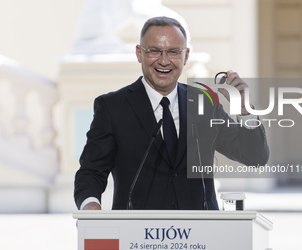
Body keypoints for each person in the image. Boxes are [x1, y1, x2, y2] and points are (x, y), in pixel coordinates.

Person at [74, 16, 269, 210]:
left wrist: (245, 109)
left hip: (201, 234)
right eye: (154, 51)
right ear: (139, 53)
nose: (164, 60)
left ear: (185, 56)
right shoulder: (113, 107)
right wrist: (90, 205)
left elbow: (255, 157)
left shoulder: (205, 103)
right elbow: (91, 171)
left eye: (173, 52)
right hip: (137, 234)